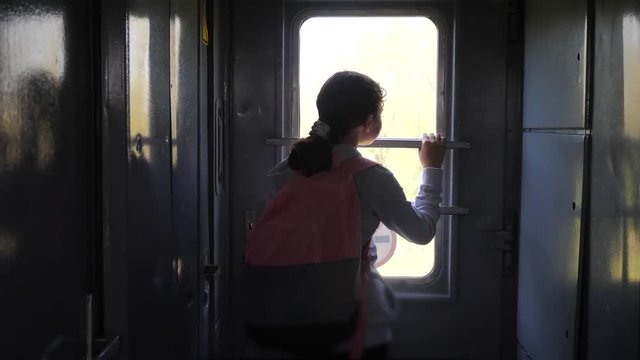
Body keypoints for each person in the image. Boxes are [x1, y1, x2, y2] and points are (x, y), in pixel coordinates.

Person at [262, 70, 445, 359]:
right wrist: (432, 170)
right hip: (357, 323)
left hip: (291, 318)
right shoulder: (372, 178)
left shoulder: (287, 170)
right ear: (370, 121)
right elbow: (421, 232)